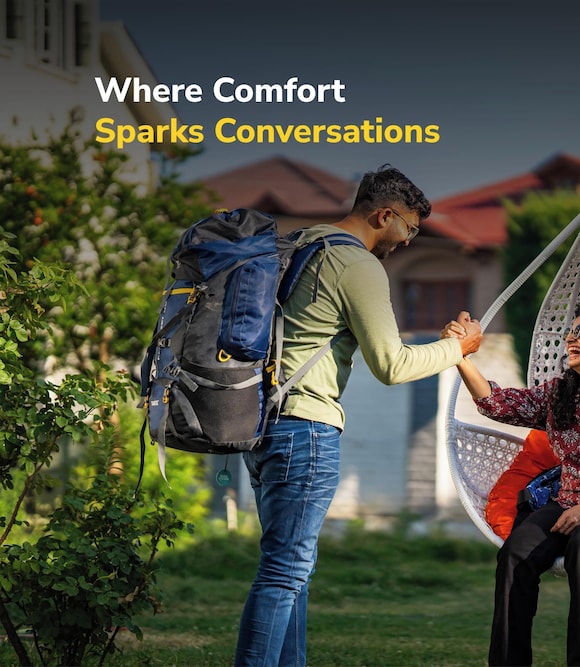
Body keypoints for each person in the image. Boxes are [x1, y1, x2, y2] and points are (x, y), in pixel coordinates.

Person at [234, 165, 483, 667]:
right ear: (383, 214)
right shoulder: (357, 265)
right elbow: (391, 365)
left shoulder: (302, 245)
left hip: (261, 427)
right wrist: (457, 349)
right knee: (285, 573)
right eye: (409, 228)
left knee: (291, 571)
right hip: (305, 430)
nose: (409, 241)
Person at [443, 302, 580, 666]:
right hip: (570, 499)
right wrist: (458, 356)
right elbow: (496, 403)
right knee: (516, 553)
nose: (570, 337)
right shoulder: (560, 395)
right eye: (571, 330)